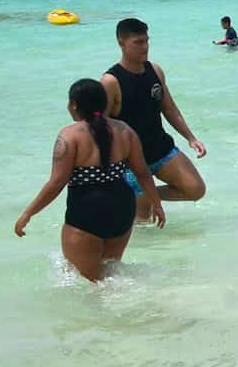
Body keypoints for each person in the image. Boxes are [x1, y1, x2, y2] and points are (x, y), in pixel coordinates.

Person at [13, 78, 165, 281]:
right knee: (112, 276)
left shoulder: (70, 135)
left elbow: (57, 183)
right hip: (121, 209)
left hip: (86, 213)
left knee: (87, 284)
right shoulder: (125, 131)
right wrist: (157, 203)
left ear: (74, 105)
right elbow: (143, 172)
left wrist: (28, 213)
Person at [102, 19, 207, 218]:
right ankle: (134, 196)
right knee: (143, 221)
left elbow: (170, 109)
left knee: (196, 189)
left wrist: (191, 138)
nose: (145, 47)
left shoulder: (155, 71)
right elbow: (99, 126)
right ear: (121, 43)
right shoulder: (111, 81)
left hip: (160, 149)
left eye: (146, 41)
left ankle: (140, 195)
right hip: (129, 161)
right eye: (138, 42)